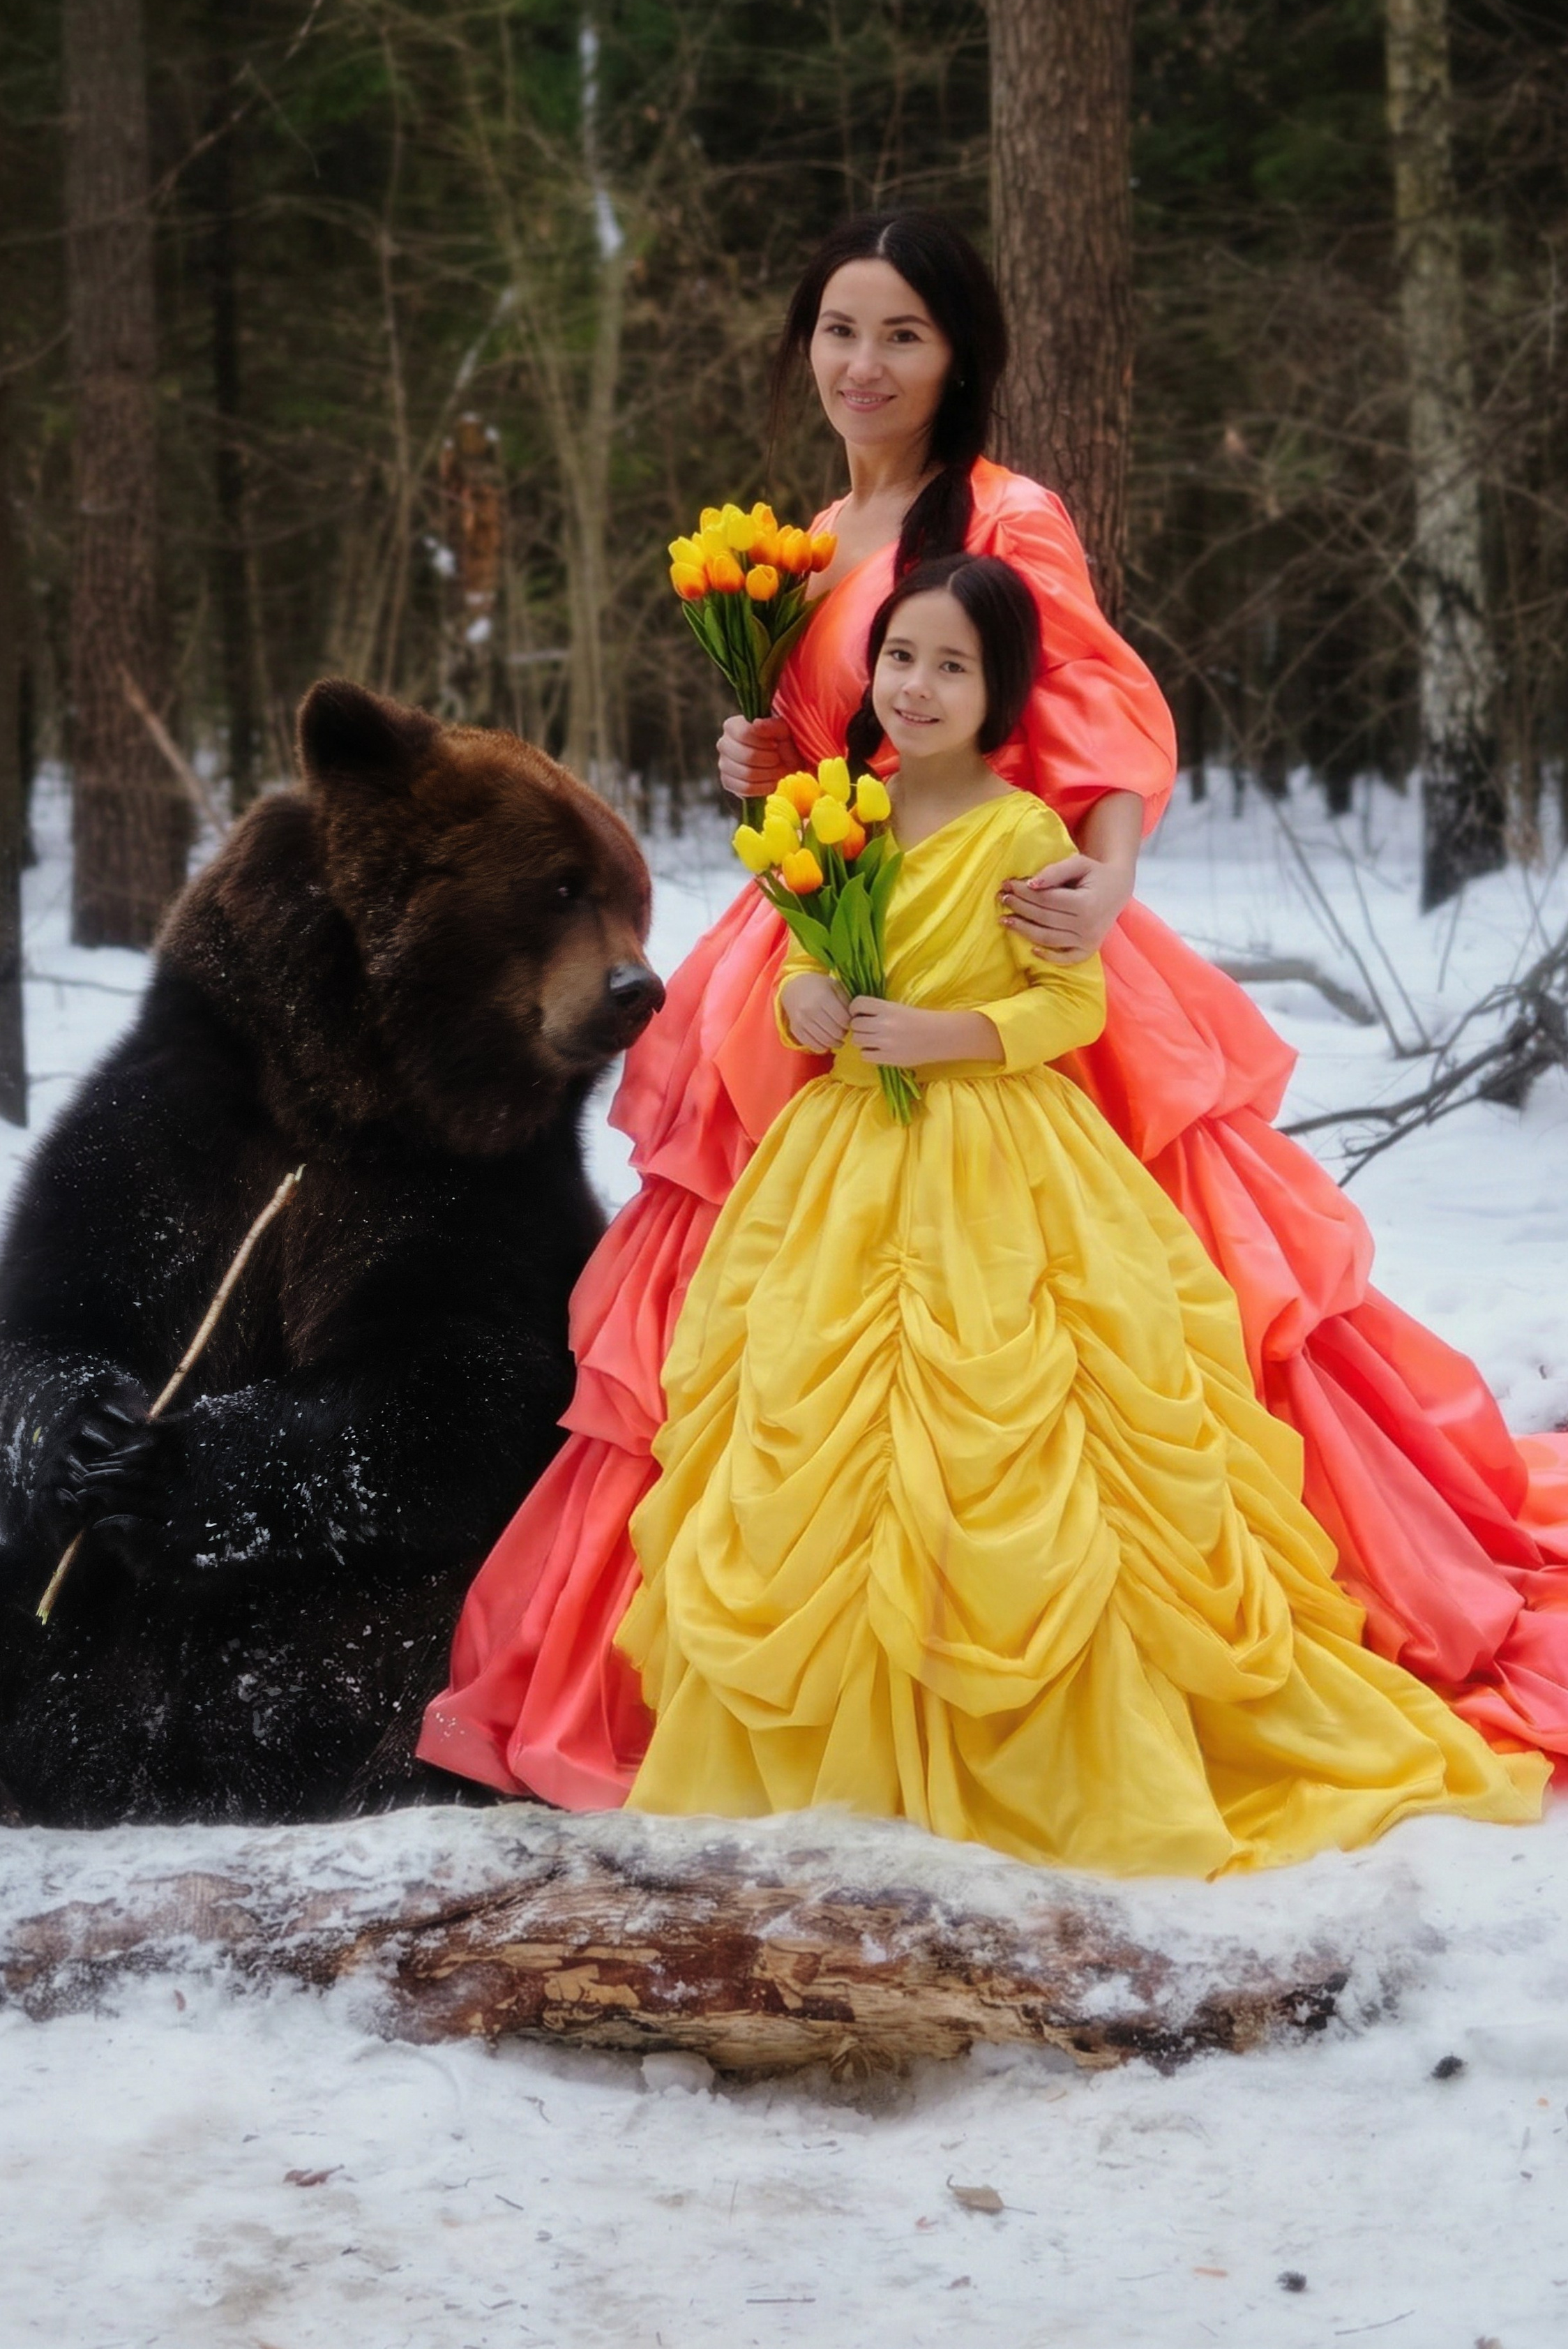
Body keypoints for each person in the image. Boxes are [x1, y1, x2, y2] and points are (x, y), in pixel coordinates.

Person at [418, 210, 1568, 1810]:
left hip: (992, 932)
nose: (862, 365)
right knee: (774, 1320)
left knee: (1077, 1321)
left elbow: (1085, 703)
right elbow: (851, 739)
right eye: (837, 330)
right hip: (831, 936)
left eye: (900, 335)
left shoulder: (1007, 515)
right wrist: (769, 764)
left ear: (955, 355)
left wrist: (1104, 872)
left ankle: (1064, 1637)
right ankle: (783, 1665)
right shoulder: (816, 530)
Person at [615, 551, 1543, 1868]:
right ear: (868, 671)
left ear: (1000, 696)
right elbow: (805, 977)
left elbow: (1072, 1007)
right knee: (817, 1426)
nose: (919, 687)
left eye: (954, 667)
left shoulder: (1021, 830)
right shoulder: (839, 816)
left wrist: (948, 1032)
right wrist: (804, 1006)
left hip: (1000, 1163)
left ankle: (1065, 1750)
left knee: (1020, 1425)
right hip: (839, 1173)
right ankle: (834, 1763)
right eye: (900, 658)